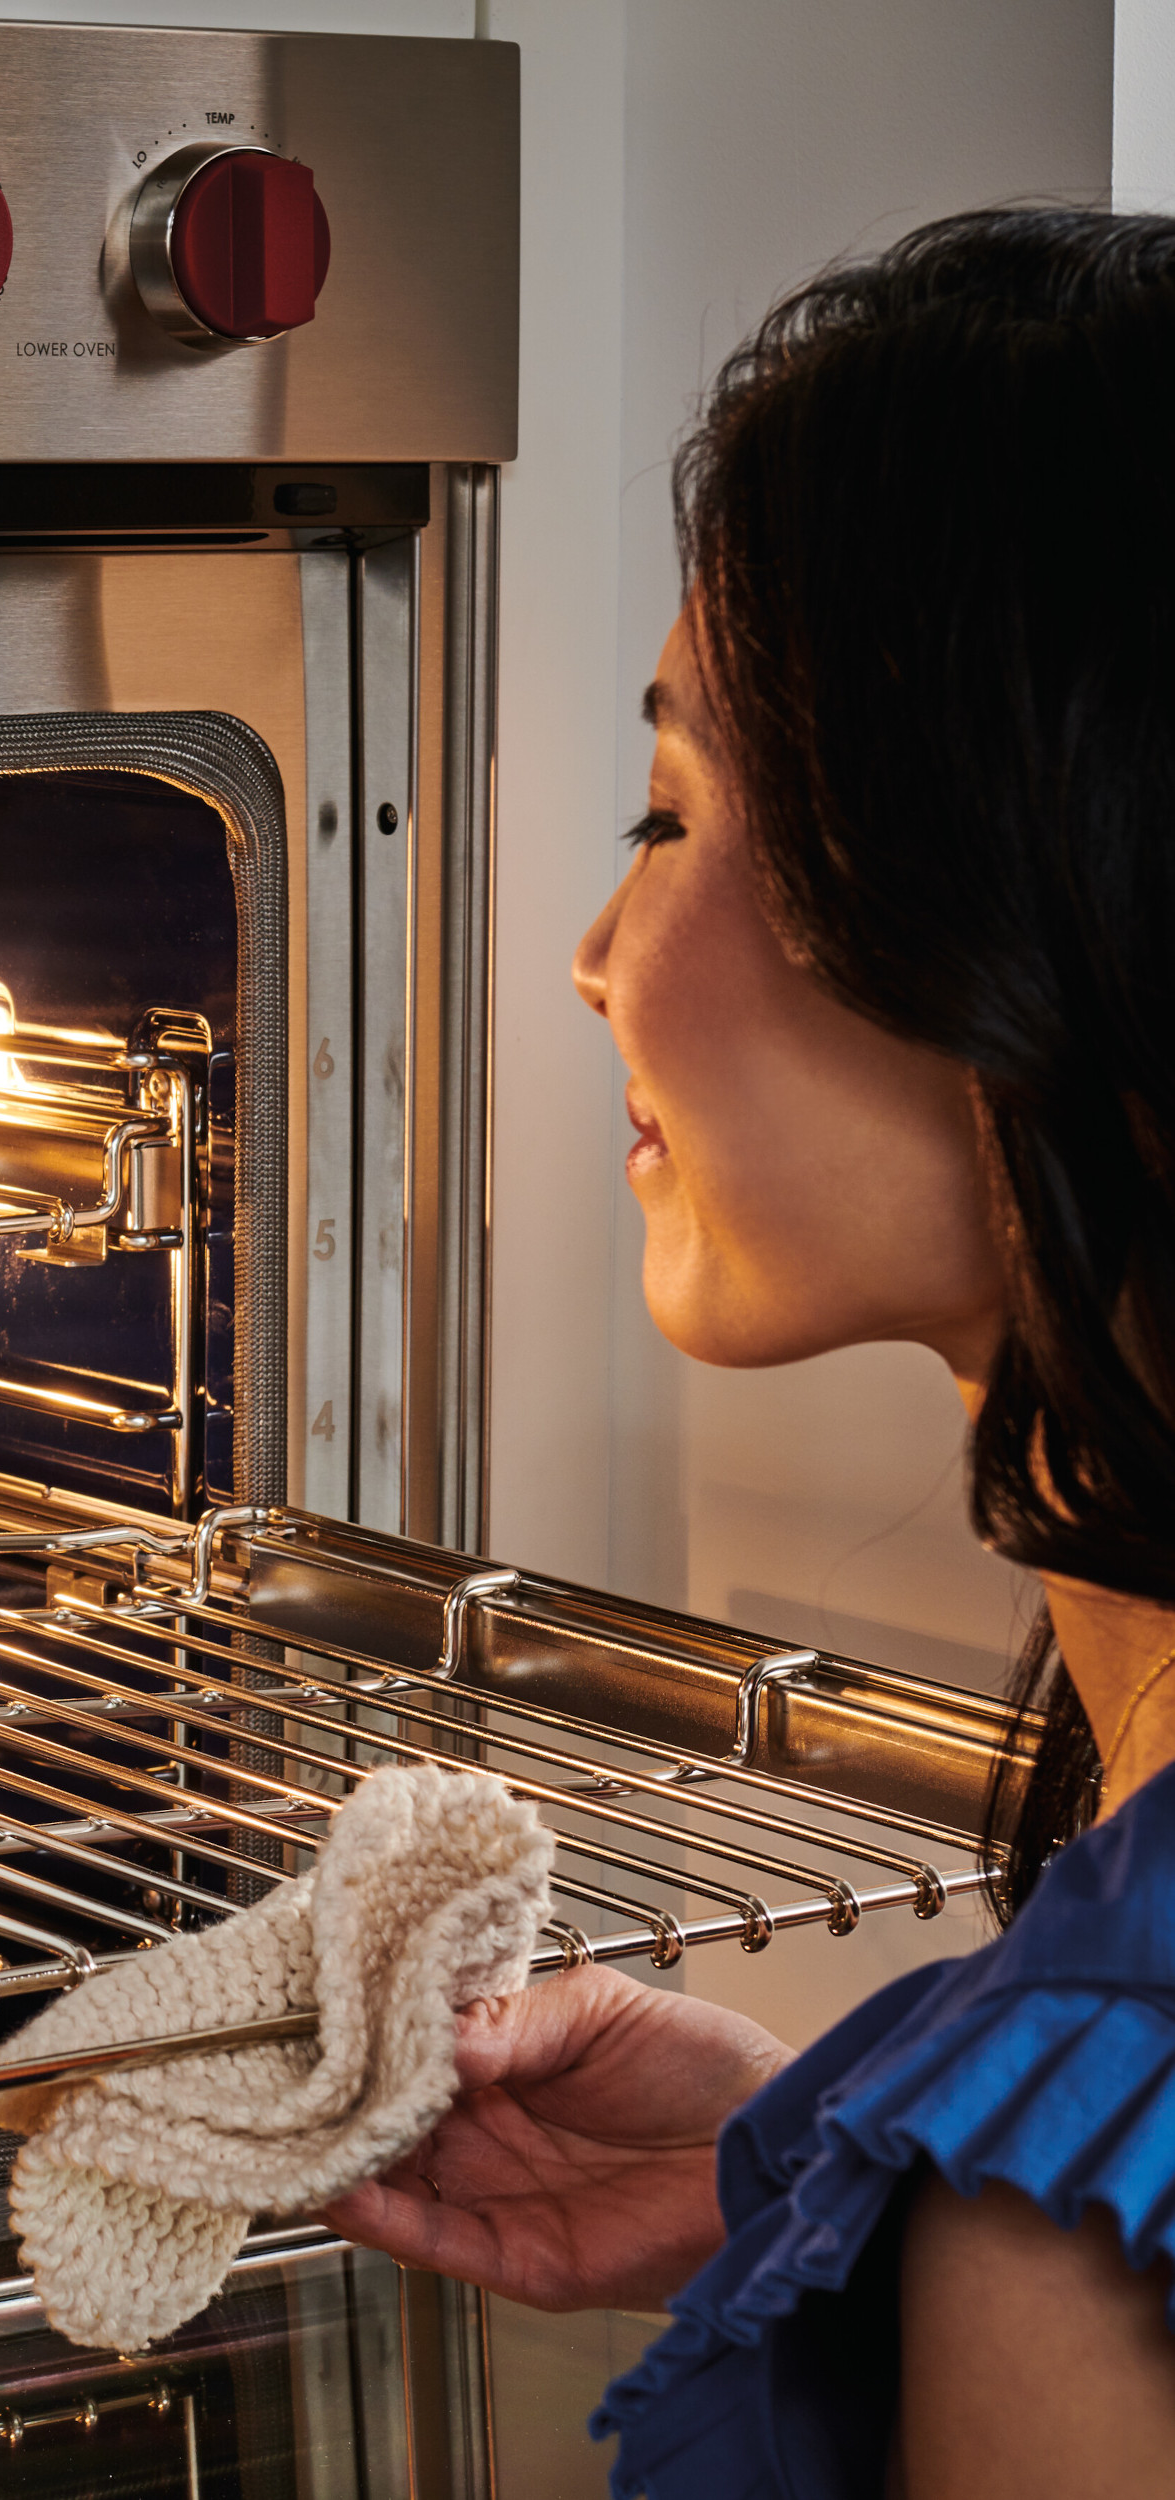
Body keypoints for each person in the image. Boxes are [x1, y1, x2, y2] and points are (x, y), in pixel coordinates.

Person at [324, 208, 1175, 2498]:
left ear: (1013, 897)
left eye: (668, 813)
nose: (597, 954)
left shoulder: (1082, 2202)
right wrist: (807, 2161)